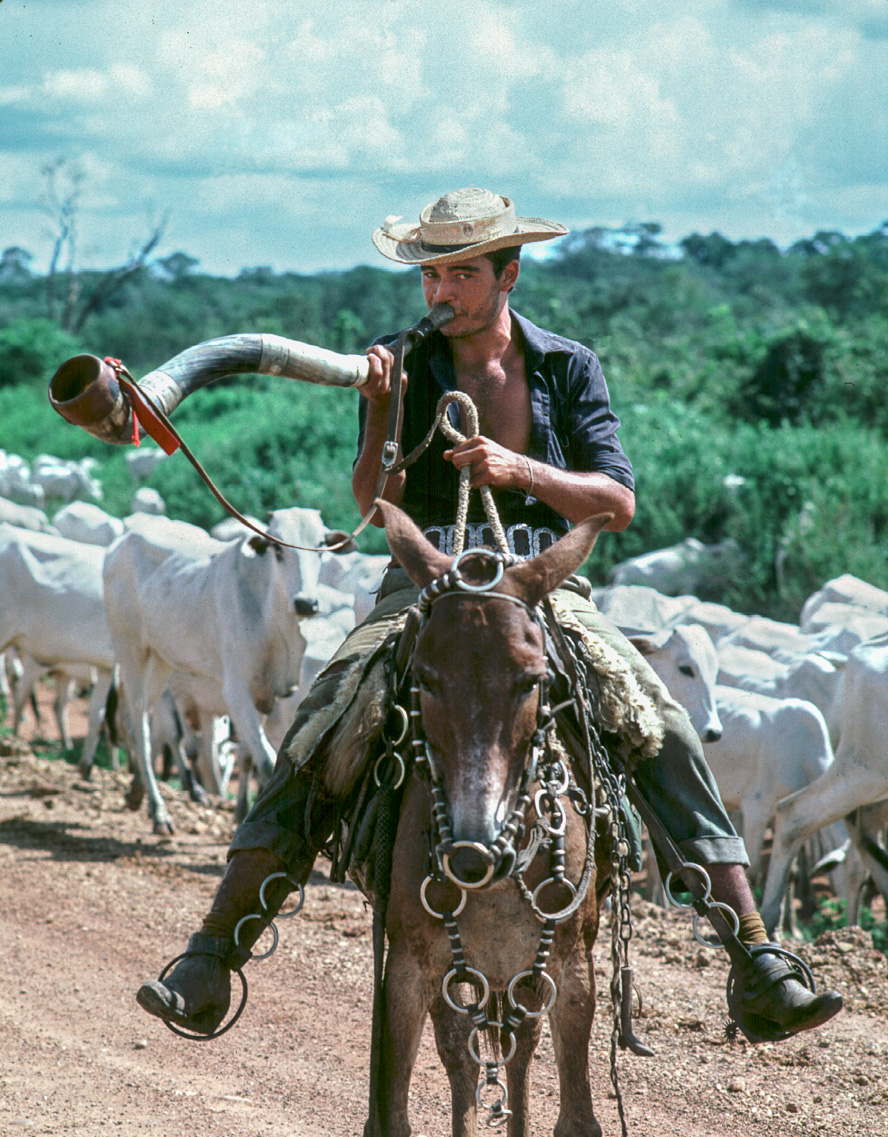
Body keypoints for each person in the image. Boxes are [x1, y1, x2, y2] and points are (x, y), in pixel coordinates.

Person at [137, 187, 842, 1039]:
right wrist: (382, 416)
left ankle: (754, 956)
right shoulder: (400, 361)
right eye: (431, 274)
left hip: (543, 584)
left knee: (659, 719)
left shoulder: (566, 366)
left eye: (462, 274)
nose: (441, 293)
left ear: (508, 274)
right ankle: (213, 954)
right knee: (321, 722)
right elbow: (372, 500)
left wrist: (519, 471)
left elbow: (616, 500)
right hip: (422, 578)